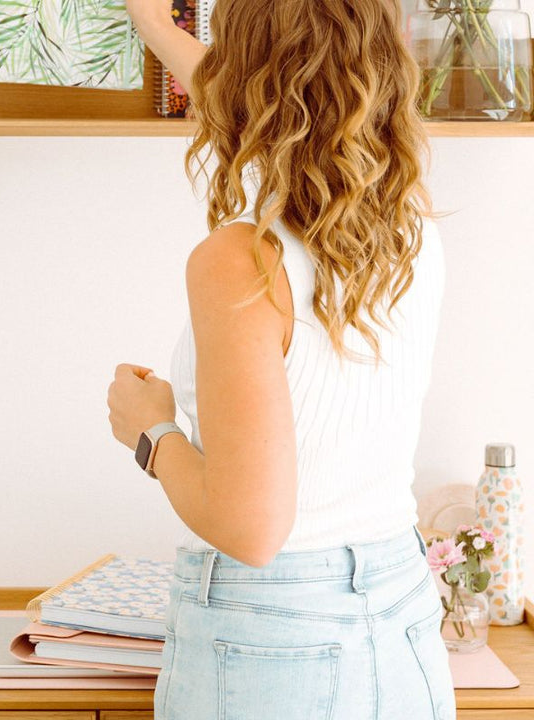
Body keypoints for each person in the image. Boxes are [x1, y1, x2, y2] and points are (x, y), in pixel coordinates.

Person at [105, 1, 453, 718]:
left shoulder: (241, 262)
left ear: (242, 80)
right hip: (404, 617)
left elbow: (252, 530)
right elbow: (293, 89)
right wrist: (156, 28)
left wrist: (152, 432)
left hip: (274, 648)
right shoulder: (407, 219)